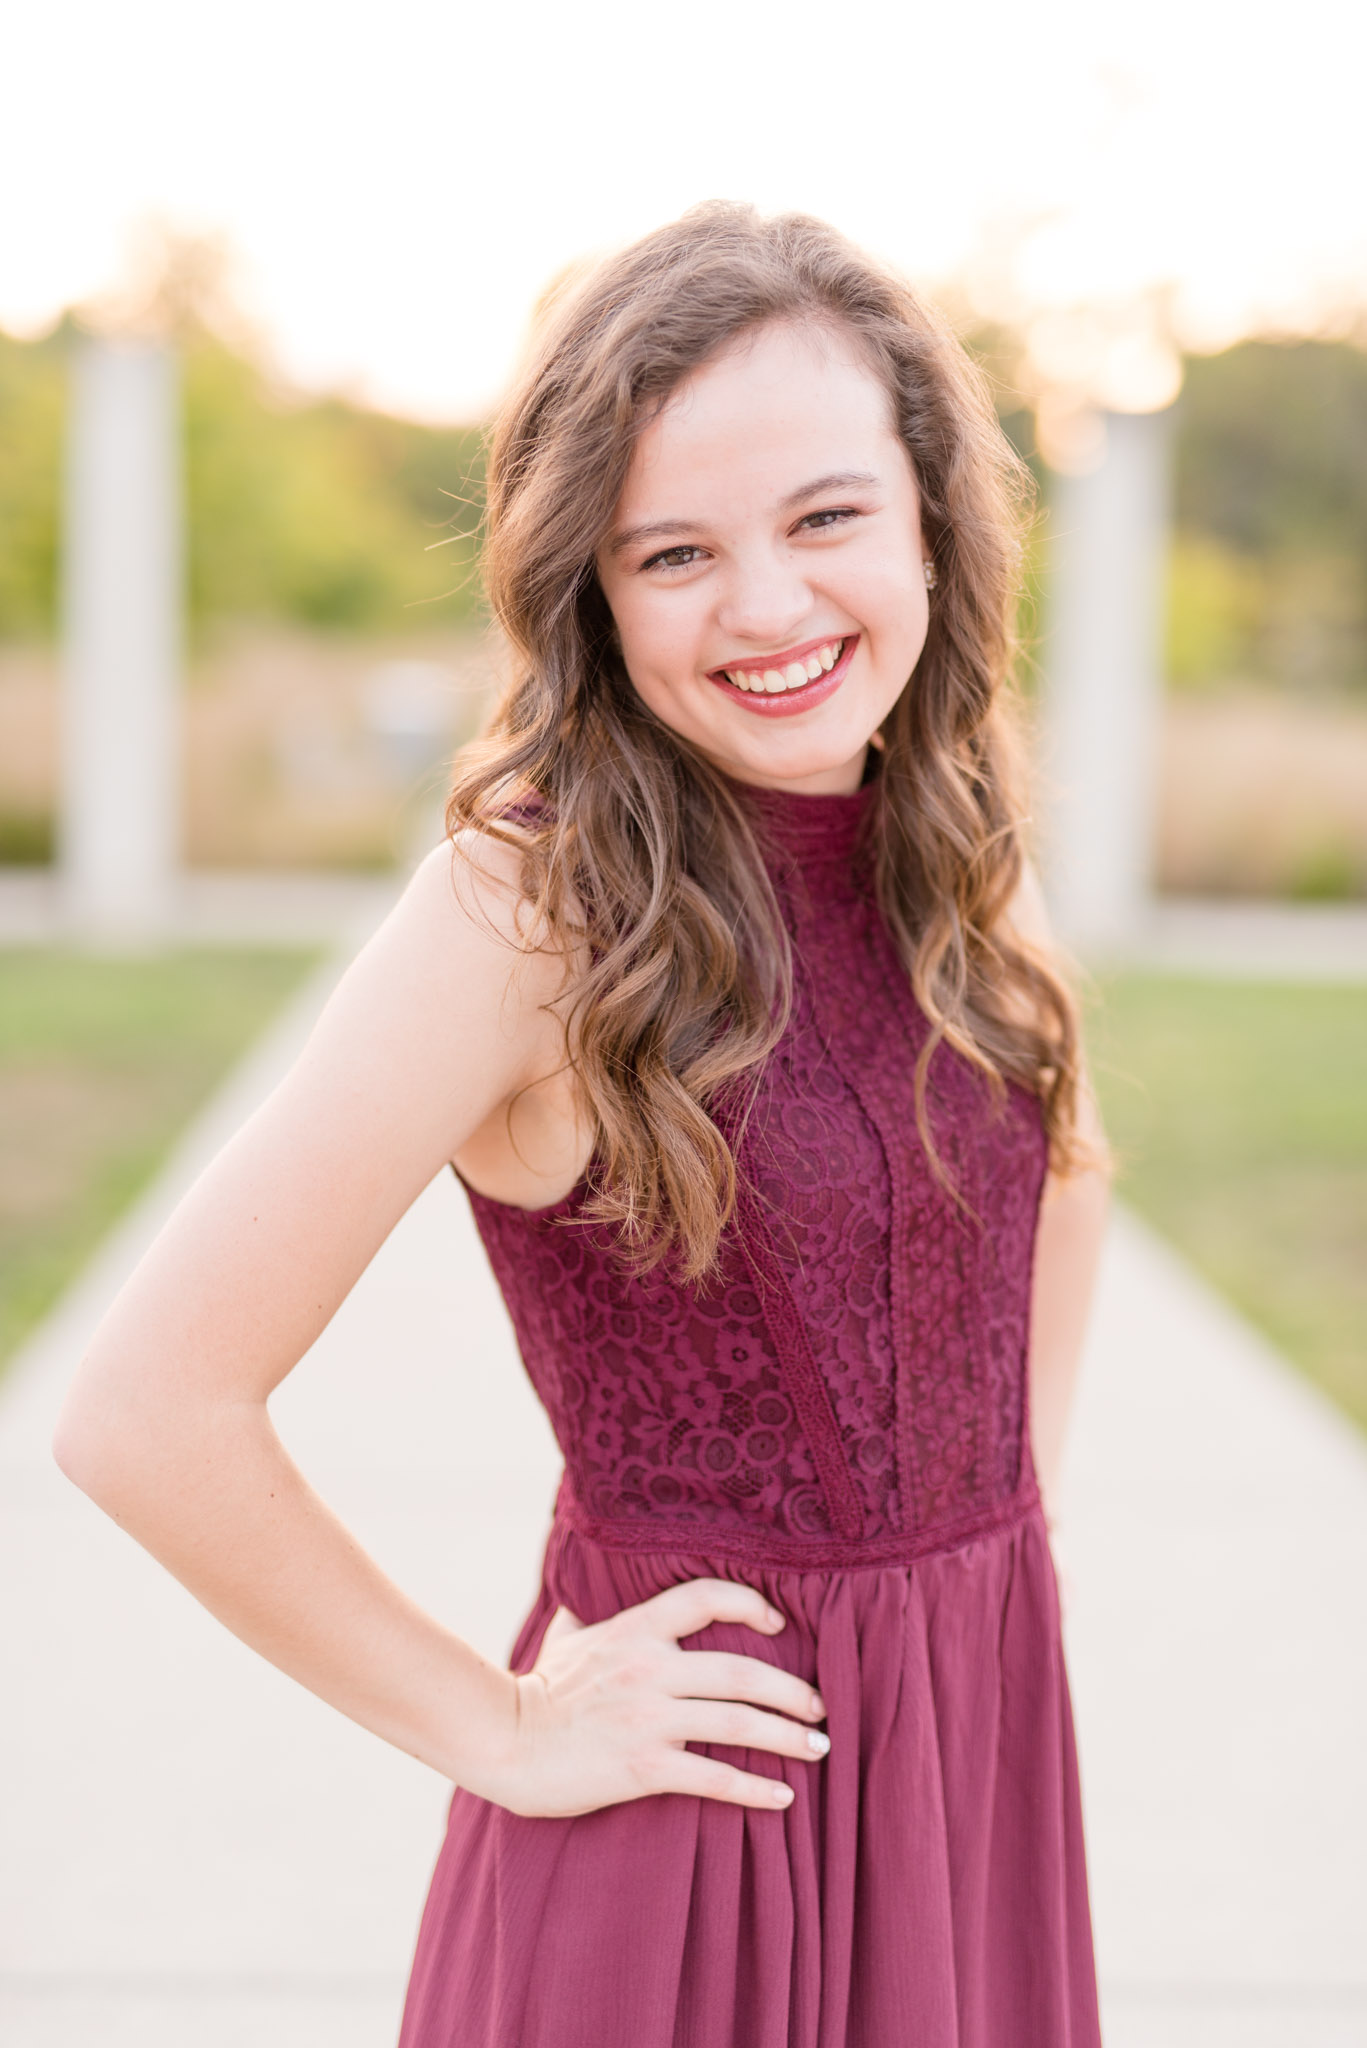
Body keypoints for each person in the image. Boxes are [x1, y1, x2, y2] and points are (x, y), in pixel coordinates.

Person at [54, 201, 1113, 2046]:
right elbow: (144, 1412)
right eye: (674, 552)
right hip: (689, 1864)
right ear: (593, 596)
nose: (769, 607)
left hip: (963, 1793)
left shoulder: (949, 844)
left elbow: (1061, 1176)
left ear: (936, 517)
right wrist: (502, 1723)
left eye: (827, 517)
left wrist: (976, 1568)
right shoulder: (529, 914)